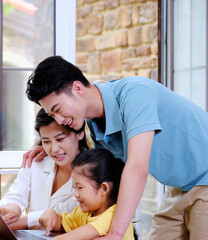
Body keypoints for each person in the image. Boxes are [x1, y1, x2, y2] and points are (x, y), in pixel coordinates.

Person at [25, 55, 208, 240]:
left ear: (77, 88)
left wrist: (115, 234)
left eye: (58, 110)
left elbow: (137, 167)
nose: (59, 120)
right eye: (52, 115)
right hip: (179, 187)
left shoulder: (135, 94)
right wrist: (51, 148)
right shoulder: (95, 126)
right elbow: (103, 173)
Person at [0, 108, 89, 233]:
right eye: (46, 141)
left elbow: (58, 215)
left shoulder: (91, 175)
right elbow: (15, 195)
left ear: (79, 133)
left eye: (60, 139)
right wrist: (11, 206)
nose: (54, 149)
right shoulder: (36, 162)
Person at [39, 149, 137, 240]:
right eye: (74, 187)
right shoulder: (84, 212)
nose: (75, 194)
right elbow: (61, 223)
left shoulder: (114, 215)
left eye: (80, 187)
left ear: (104, 188)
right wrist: (51, 215)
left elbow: (77, 235)